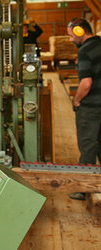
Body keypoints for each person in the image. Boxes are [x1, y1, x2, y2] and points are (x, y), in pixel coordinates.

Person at [67, 18, 101, 200]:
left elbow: (86, 83)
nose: (71, 40)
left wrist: (76, 100)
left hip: (90, 107)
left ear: (81, 32)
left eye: (72, 36)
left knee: (87, 146)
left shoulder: (85, 50)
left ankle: (85, 188)